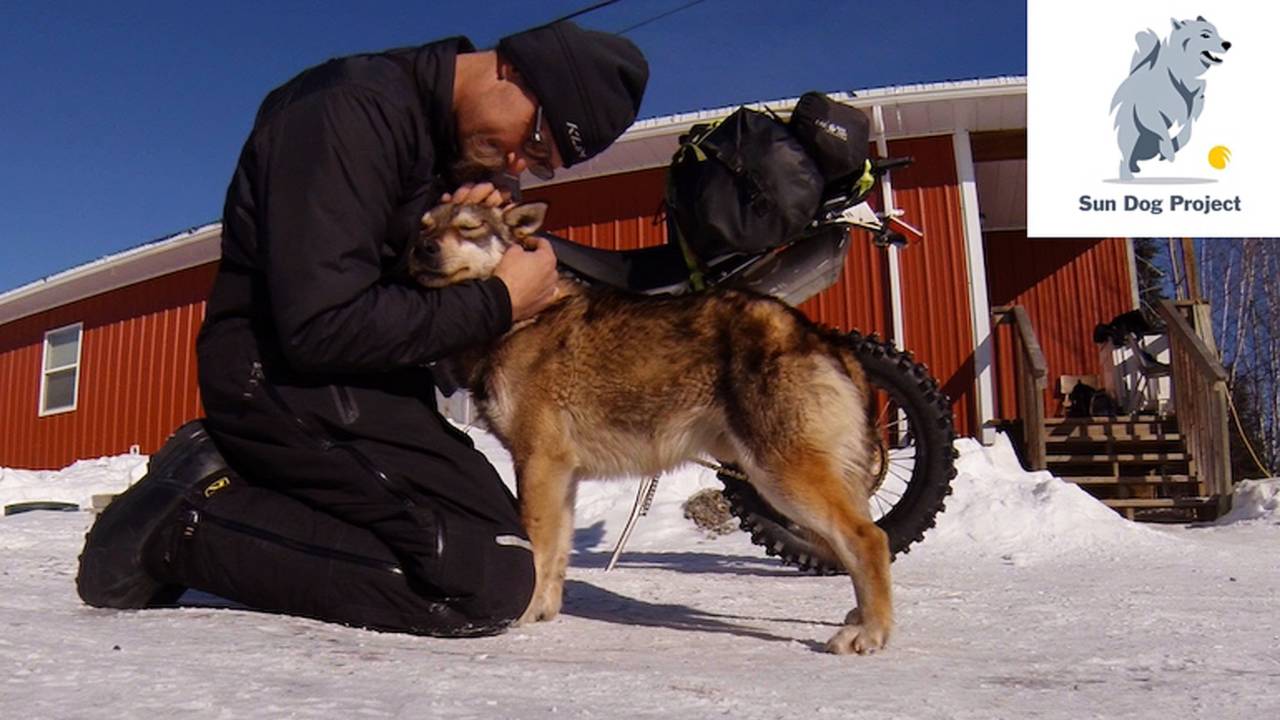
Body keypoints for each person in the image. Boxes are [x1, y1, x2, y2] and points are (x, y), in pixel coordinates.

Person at [76, 21, 648, 636]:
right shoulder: (350, 113)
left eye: (537, 167)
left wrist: (465, 201)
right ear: (514, 70)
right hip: (278, 381)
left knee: (508, 550)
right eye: (532, 143)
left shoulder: (436, 142)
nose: (516, 165)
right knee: (484, 583)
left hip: (366, 387)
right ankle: (184, 525)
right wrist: (500, 301)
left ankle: (267, 486)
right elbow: (321, 325)